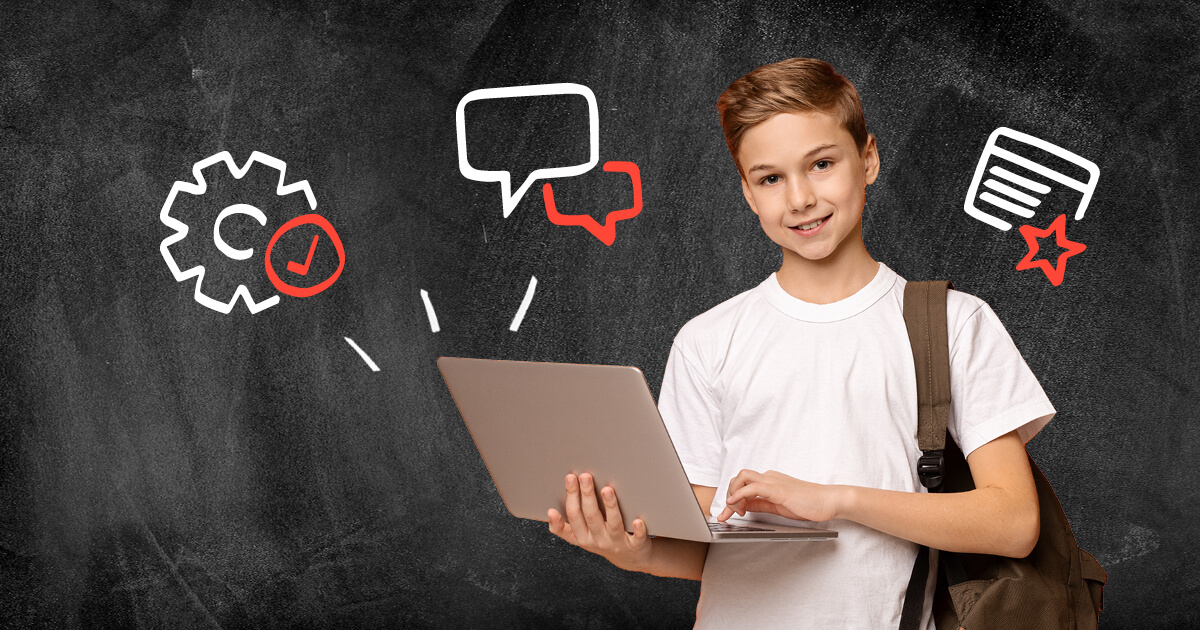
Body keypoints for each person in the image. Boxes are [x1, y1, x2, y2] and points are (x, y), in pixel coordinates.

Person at [546, 57, 1055, 629]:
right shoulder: (707, 341)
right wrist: (630, 549)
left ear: (868, 159)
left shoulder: (953, 324)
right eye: (770, 178)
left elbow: (1013, 522)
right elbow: (703, 547)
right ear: (747, 193)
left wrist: (836, 499)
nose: (799, 199)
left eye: (820, 164)